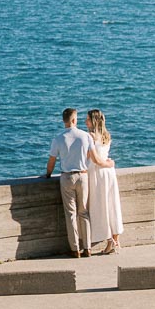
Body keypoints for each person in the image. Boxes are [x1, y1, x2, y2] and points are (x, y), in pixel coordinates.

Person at [45, 107, 114, 257]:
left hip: (66, 177)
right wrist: (108, 163)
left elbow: (51, 162)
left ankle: (75, 248)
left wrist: (48, 174)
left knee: (71, 214)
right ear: (74, 120)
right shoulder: (85, 136)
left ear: (64, 121)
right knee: (84, 212)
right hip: (83, 176)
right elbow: (95, 158)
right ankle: (87, 247)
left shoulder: (58, 138)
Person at [85, 108, 124, 253]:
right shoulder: (106, 135)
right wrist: (110, 164)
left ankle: (109, 241)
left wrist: (106, 163)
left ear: (93, 121)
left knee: (101, 207)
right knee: (112, 204)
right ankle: (115, 242)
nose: (85, 121)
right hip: (109, 173)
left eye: (87, 119)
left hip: (97, 174)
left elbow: (94, 159)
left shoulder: (90, 136)